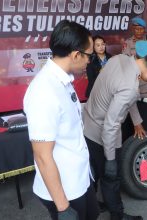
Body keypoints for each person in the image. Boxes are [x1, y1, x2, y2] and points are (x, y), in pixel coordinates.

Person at [83, 41, 147, 220]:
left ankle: (92, 204)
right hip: (103, 134)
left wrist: (137, 121)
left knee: (93, 172)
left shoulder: (119, 59)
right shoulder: (130, 87)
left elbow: (122, 97)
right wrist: (110, 160)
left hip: (88, 125)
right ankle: (118, 215)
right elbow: (111, 125)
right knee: (110, 177)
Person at [23, 20, 99, 220]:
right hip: (65, 191)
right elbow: (42, 156)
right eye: (89, 56)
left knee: (94, 214)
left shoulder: (62, 81)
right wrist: (63, 209)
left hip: (79, 178)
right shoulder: (44, 92)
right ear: (76, 55)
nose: (89, 61)